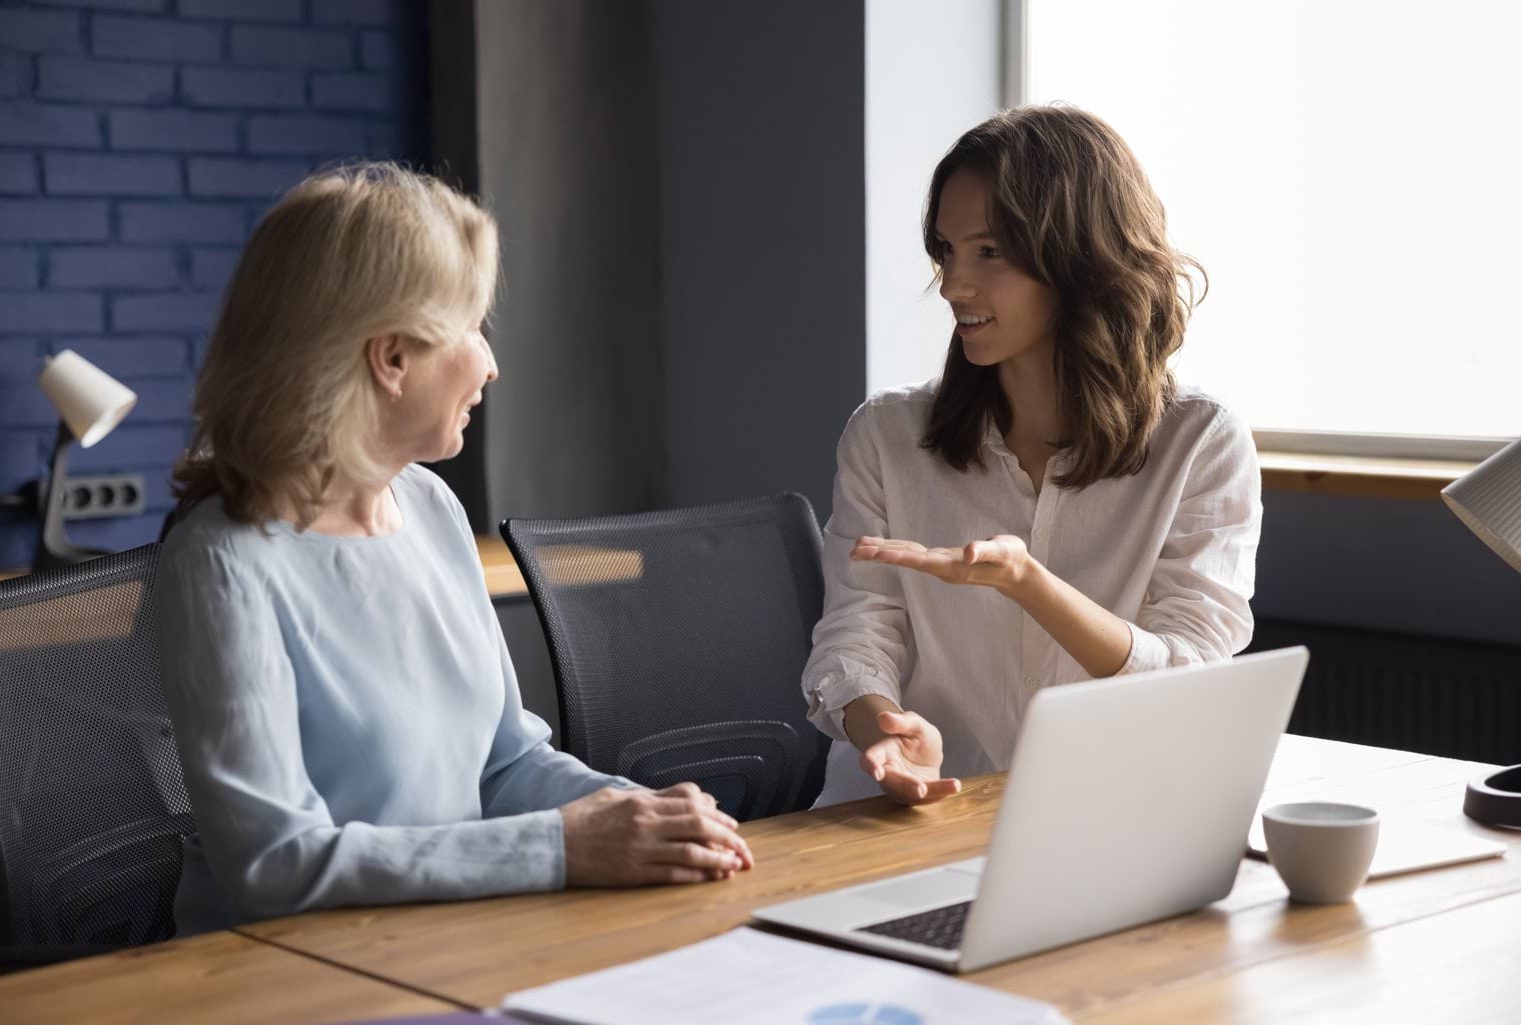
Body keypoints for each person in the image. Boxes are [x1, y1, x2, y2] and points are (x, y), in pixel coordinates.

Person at [155, 164, 752, 934]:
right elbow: (276, 865)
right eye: (472, 329)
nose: (491, 364)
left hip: (448, 940)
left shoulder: (430, 507)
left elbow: (504, 763)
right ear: (392, 357)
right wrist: (565, 847)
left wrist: (643, 816)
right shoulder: (223, 565)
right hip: (286, 978)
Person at [801, 106, 1261, 807]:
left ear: (1078, 257)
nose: (954, 285)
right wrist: (882, 728)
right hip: (902, 821)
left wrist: (1028, 582)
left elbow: (1189, 673)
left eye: (989, 253)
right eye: (947, 251)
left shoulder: (1201, 441)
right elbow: (856, 633)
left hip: (1103, 822)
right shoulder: (885, 436)